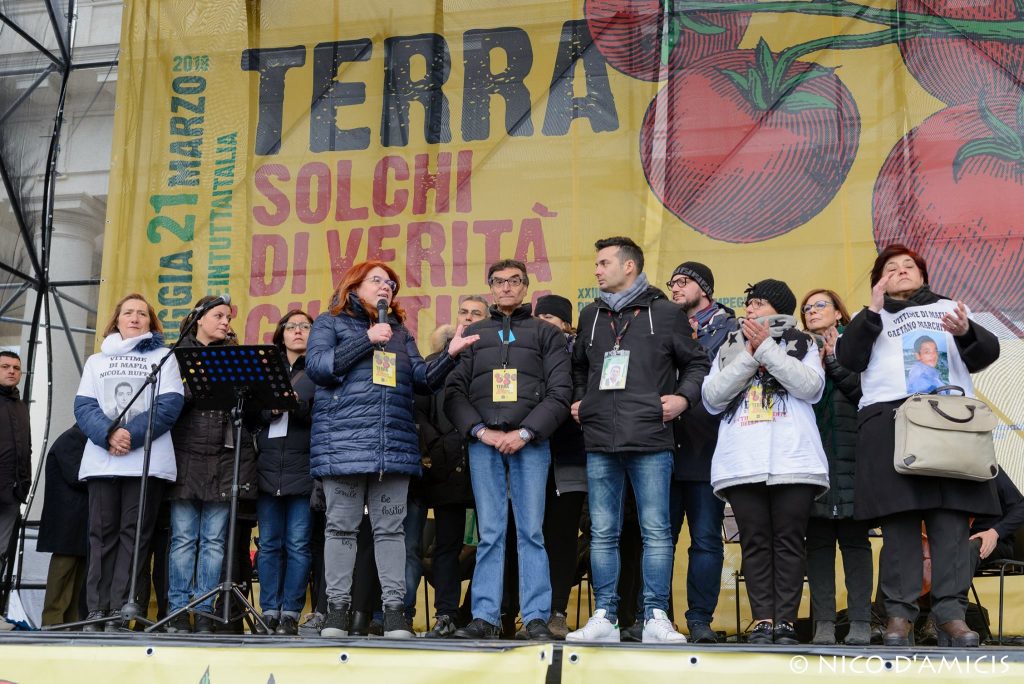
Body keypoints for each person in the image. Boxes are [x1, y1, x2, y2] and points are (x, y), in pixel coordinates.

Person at [836, 244, 1001, 647]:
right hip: (892, 424)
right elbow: (849, 358)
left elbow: (986, 354)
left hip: (949, 422)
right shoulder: (868, 316)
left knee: (949, 524)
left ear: (924, 275)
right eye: (891, 268)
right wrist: (873, 310)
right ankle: (899, 616)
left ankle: (951, 615)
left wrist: (966, 332)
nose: (901, 271)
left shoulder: (952, 310)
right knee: (900, 527)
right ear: (879, 280)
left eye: (909, 266)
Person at [305, 261, 478, 639]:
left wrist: (448, 355)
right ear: (354, 285)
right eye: (377, 280)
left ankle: (395, 611)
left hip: (393, 446)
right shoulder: (328, 323)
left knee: (391, 531)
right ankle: (336, 609)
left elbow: (422, 380)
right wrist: (365, 340)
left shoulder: (400, 333)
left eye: (391, 284)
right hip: (344, 444)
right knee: (341, 528)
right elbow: (318, 367)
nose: (386, 287)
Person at [567, 238, 709, 644]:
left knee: (657, 532)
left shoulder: (664, 313)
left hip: (650, 438)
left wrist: (682, 398)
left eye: (603, 262)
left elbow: (696, 362)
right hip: (599, 439)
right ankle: (605, 617)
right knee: (603, 532)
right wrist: (580, 400)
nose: (596, 270)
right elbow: (578, 365)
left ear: (629, 266)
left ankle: (655, 617)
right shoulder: (590, 314)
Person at [445, 259, 572, 640]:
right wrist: (481, 431)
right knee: (491, 533)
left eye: (514, 281)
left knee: (531, 531)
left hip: (530, 445)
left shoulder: (545, 334)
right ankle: (484, 616)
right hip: (484, 444)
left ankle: (535, 617)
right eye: (498, 282)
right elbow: (453, 393)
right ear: (490, 288)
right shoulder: (474, 334)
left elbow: (561, 392)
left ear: (525, 287)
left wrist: (527, 433)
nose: (506, 288)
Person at [702, 279, 828, 645]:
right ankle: (763, 620)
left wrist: (767, 349)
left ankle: (786, 621)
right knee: (755, 542)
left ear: (780, 309)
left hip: (793, 458)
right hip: (742, 460)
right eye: (749, 304)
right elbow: (711, 397)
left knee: (789, 541)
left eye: (758, 303)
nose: (750, 309)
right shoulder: (728, 346)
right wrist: (749, 355)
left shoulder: (803, 342)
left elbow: (810, 388)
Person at [73, 294, 184, 631]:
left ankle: (124, 611)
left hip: (145, 464)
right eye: (128, 313)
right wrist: (108, 434)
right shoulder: (96, 361)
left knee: (134, 536)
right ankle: (97, 610)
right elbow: (84, 407)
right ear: (116, 320)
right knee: (100, 535)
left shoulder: (164, 357)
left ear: (151, 322)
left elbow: (168, 406)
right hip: (102, 462)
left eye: (142, 314)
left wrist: (129, 436)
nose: (135, 318)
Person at [165, 295, 258, 634]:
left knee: (215, 541)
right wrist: (197, 386)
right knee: (184, 538)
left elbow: (249, 412)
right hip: (186, 454)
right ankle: (177, 610)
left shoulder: (234, 357)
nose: (225, 322)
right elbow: (169, 405)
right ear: (198, 318)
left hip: (224, 456)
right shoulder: (175, 356)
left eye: (228, 318)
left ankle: (204, 611)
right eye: (218, 315)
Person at [664, 262, 737, 644]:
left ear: (704, 288)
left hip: (708, 448)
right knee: (659, 540)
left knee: (706, 539)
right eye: (672, 283)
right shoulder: (661, 324)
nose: (676, 289)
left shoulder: (731, 329)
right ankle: (658, 619)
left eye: (684, 282)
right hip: (661, 446)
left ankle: (700, 621)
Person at [799, 288, 873, 646]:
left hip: (854, 456)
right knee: (819, 546)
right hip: (813, 460)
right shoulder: (799, 350)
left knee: (856, 544)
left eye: (819, 306)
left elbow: (864, 393)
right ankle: (823, 624)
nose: (812, 312)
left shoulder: (854, 348)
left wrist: (833, 361)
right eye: (807, 308)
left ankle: (860, 621)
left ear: (839, 314)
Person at [418, 300, 489, 638]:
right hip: (446, 467)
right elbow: (418, 410)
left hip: (487, 462)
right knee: (446, 543)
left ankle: (477, 612)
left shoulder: (495, 360)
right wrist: (437, 445)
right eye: (465, 313)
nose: (470, 319)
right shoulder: (434, 364)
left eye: (478, 314)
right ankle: (446, 613)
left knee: (493, 542)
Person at [253, 310, 316, 635]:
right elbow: (251, 414)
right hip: (267, 468)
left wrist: (297, 405)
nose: (298, 332)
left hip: (302, 469)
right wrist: (268, 409)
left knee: (298, 545)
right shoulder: (266, 370)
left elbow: (324, 416)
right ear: (281, 333)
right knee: (269, 545)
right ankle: (269, 610)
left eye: (306, 327)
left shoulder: (319, 371)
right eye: (291, 326)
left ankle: (290, 612)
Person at [532, 294, 588, 639]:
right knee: (526, 536)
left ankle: (556, 611)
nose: (545, 324)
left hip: (569, 459)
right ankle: (520, 610)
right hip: (529, 456)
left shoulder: (578, 354)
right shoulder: (526, 350)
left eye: (552, 319)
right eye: (540, 317)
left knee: (562, 538)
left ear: (566, 324)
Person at [38, 425, 89, 626]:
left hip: (76, 525)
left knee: (75, 581)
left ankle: (68, 626)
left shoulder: (76, 438)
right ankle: (52, 625)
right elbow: (77, 476)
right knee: (62, 578)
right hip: (67, 525)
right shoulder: (71, 439)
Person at [0, 350, 31, 570]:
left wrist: (25, 483)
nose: (12, 371)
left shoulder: (21, 406)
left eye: (16, 368)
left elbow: (26, 448)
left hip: (13, 492)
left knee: (2, 553)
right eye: (5, 367)